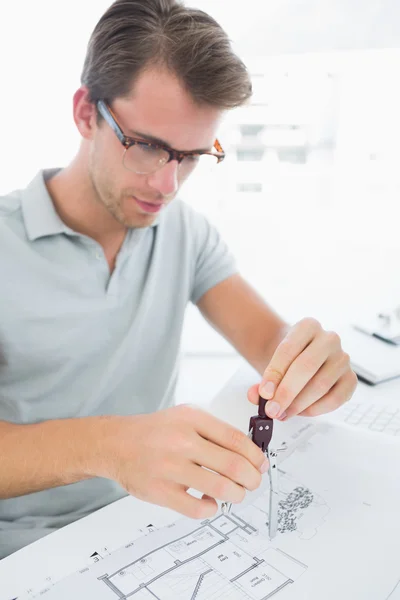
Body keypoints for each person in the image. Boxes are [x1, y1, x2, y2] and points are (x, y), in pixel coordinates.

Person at [0, 0, 357, 559]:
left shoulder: (184, 233)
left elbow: (270, 344)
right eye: (146, 146)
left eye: (190, 156)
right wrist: (110, 446)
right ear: (86, 114)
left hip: (149, 530)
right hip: (22, 555)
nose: (167, 185)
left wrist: (310, 368)